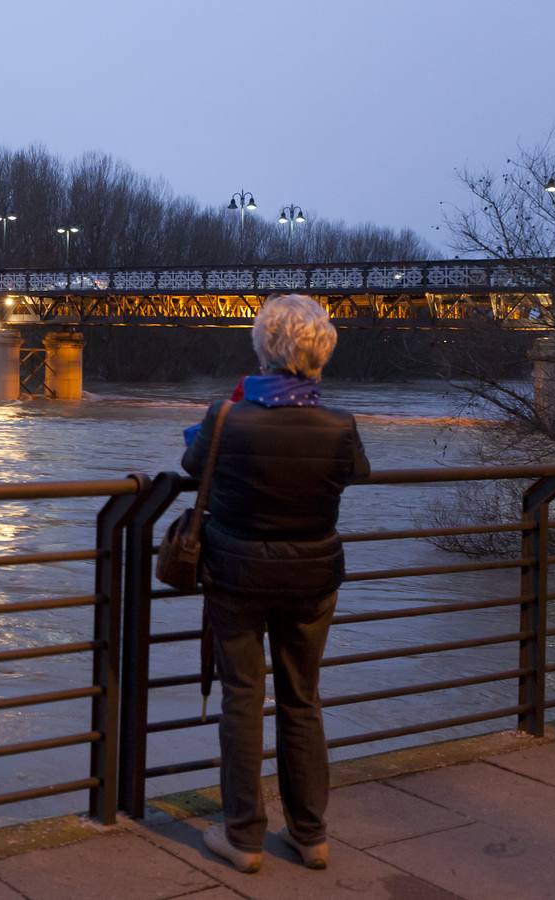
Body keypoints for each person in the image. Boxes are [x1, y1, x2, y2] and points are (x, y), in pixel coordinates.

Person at [179, 294, 370, 874]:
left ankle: (243, 836)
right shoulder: (340, 426)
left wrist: (230, 411)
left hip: (237, 576)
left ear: (263, 346)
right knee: (301, 699)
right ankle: (310, 835)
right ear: (322, 352)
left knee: (243, 699)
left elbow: (192, 465)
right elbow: (355, 473)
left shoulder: (226, 416)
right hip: (313, 578)